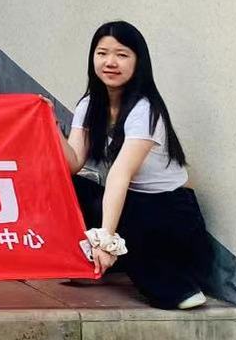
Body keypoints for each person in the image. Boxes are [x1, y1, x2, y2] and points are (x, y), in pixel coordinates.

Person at [62, 21, 212, 309]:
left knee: (125, 210)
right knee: (67, 187)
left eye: (122, 55)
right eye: (102, 53)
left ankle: (178, 289)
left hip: (172, 213)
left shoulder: (145, 110)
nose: (110, 62)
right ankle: (108, 258)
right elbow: (72, 164)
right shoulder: (90, 104)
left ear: (138, 62)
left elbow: (120, 174)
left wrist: (106, 239)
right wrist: (48, 123)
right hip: (136, 204)